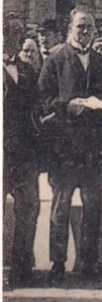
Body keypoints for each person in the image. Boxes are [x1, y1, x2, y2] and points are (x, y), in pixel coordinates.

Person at [38, 6, 102, 281]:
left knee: (92, 207)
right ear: (70, 29)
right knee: (61, 205)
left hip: (95, 149)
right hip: (65, 149)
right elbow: (43, 101)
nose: (85, 32)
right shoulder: (55, 59)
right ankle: (58, 263)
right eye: (80, 27)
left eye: (90, 28)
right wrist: (67, 107)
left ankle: (88, 263)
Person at [3, 19, 42, 288]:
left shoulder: (27, 70)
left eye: (17, 33)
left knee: (29, 206)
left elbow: (35, 110)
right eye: (7, 32)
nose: (12, 37)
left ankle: (21, 267)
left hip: (23, 153)